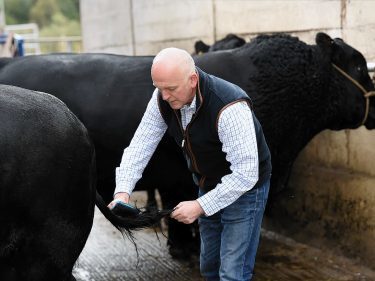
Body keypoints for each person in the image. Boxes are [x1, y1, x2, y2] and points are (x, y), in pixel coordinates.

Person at [108, 47, 272, 281]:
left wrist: (199, 206)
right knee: (209, 267)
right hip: (209, 183)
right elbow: (140, 145)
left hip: (246, 190)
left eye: (170, 89)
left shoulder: (229, 106)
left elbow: (245, 174)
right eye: (159, 88)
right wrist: (122, 192)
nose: (164, 96)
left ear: (192, 80)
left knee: (233, 272)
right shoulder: (163, 98)